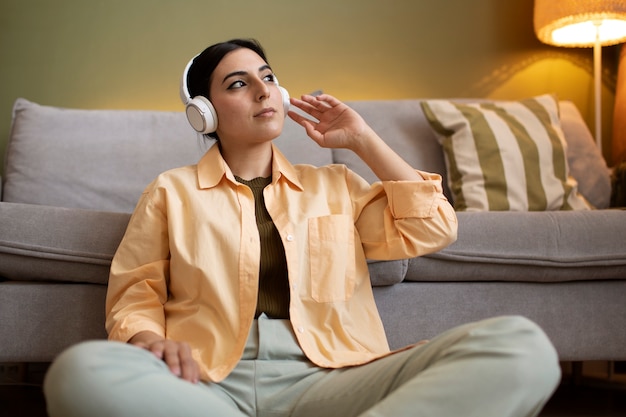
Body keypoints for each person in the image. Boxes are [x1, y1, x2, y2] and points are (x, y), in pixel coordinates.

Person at [44, 38, 560, 417]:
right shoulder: (170, 191)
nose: (263, 92)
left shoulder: (335, 184)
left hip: (333, 382)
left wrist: (362, 140)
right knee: (80, 371)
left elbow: (434, 228)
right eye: (238, 84)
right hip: (205, 385)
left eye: (268, 78)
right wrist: (146, 341)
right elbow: (137, 292)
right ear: (203, 113)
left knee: (521, 346)